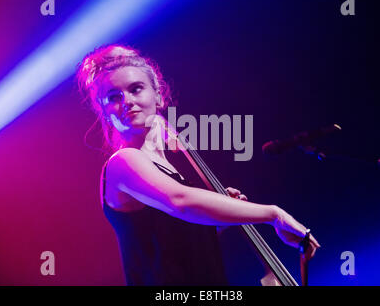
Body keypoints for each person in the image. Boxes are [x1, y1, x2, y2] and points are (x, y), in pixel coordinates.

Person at [76, 44, 320, 286]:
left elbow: (177, 243)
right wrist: (274, 215)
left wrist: (220, 219)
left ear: (158, 95)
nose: (127, 101)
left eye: (136, 89)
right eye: (114, 97)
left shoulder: (171, 171)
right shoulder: (123, 162)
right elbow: (181, 201)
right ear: (105, 112)